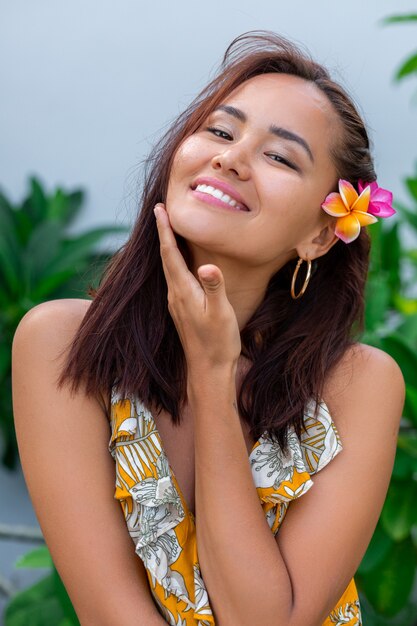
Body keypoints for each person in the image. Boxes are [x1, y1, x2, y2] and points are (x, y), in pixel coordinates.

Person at [12, 30, 405, 626]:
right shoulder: (61, 343)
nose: (230, 157)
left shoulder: (359, 384)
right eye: (220, 131)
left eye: (279, 156)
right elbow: (110, 615)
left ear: (322, 234)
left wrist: (213, 376)